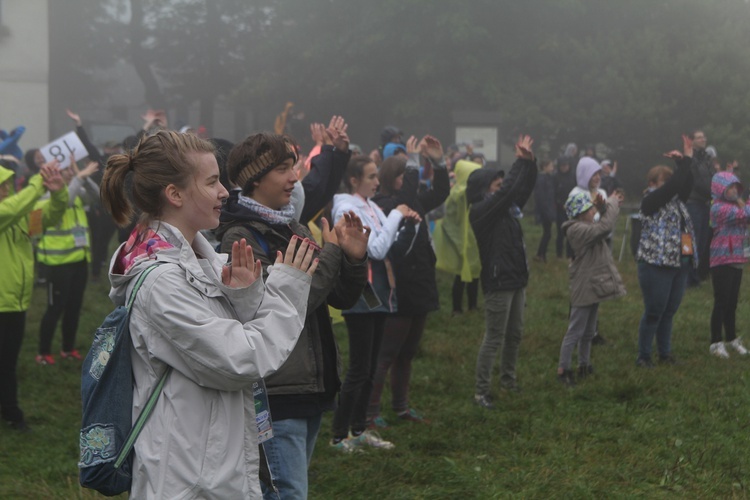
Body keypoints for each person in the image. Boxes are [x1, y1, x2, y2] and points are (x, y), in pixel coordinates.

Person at [97, 130, 317, 498]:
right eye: (212, 182)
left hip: (213, 467)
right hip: (187, 479)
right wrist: (287, 291)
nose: (225, 192)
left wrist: (245, 296)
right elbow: (240, 360)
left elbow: (227, 336)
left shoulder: (205, 260)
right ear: (175, 194)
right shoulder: (161, 283)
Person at [216, 131, 368, 500]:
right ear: (254, 178)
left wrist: (352, 258)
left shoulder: (292, 228)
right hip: (278, 392)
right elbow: (283, 307)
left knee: (288, 490)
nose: (294, 177)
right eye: (283, 169)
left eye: (294, 167)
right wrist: (331, 255)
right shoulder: (242, 238)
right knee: (287, 493)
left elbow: (340, 298)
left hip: (310, 387)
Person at [329, 155, 420, 451]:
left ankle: (359, 430)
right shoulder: (346, 208)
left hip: (379, 294)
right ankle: (338, 434)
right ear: (354, 180)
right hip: (360, 295)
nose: (377, 182)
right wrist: (397, 215)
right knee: (359, 367)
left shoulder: (371, 206)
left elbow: (388, 242)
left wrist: (407, 222)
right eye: (370, 177)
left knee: (369, 367)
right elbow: (378, 248)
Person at [367, 135, 450, 427]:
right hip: (397, 287)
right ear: (391, 178)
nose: (410, 180)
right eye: (403, 175)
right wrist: (414, 161)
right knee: (386, 353)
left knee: (408, 352)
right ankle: (371, 413)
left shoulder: (412, 201)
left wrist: (438, 163)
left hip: (420, 285)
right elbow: (404, 201)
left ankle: (401, 408)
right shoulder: (386, 204)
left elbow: (440, 192)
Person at [470, 135, 537, 410]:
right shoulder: (482, 210)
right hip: (499, 281)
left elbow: (521, 189)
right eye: (496, 186)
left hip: (516, 276)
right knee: (494, 337)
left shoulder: (507, 209)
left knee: (515, 333)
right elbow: (509, 190)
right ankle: (481, 391)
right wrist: (518, 162)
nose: (501, 190)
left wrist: (529, 164)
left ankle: (508, 380)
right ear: (485, 190)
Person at [0, 161, 67, 431]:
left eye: (7, 184)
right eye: (1, 185)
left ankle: (9, 411)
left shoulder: (18, 219)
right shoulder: (7, 213)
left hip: (14, 303)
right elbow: (14, 207)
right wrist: (37, 182)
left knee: (7, 363)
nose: (6, 189)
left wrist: (58, 192)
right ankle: (13, 414)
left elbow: (48, 217)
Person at [635, 136, 696, 368]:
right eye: (665, 180)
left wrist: (683, 165)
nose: (671, 184)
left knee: (669, 311)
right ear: (652, 182)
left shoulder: (675, 200)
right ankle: (643, 356)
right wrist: (686, 160)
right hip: (656, 264)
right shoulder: (650, 200)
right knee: (654, 311)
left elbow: (685, 184)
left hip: (679, 260)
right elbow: (674, 186)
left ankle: (665, 353)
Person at [557, 191, 626, 387]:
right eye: (590, 209)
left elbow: (600, 222)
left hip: (593, 283)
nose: (594, 211)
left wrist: (604, 207)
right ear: (581, 213)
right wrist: (612, 203)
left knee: (589, 331)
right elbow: (604, 227)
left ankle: (583, 365)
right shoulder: (576, 230)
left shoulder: (585, 225)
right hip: (584, 285)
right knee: (575, 331)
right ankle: (563, 369)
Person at [35, 157, 100, 365]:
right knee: (55, 308)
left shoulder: (76, 189)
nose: (71, 174)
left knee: (74, 307)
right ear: (54, 174)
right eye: (66, 171)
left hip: (79, 260)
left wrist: (86, 178)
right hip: (57, 263)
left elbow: (97, 196)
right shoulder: (47, 196)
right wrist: (78, 178)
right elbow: (66, 201)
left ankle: (68, 348)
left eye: (71, 171)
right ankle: (43, 352)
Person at [707, 170, 750, 358]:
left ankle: (731, 338)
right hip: (722, 259)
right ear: (720, 189)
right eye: (729, 188)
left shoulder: (737, 205)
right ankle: (716, 342)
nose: (734, 191)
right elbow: (745, 213)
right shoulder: (718, 208)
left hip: (737, 257)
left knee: (732, 302)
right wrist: (744, 201)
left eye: (735, 187)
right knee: (721, 302)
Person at [434, 158, 483, 315]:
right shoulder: (457, 192)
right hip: (459, 237)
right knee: (461, 273)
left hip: (471, 237)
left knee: (474, 272)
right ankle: (456, 308)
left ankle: (473, 305)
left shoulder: (469, 192)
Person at [686, 129, 713, 286]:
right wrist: (713, 193)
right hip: (693, 202)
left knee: (702, 241)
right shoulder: (690, 158)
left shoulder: (706, 158)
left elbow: (712, 177)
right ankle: (688, 277)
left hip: (705, 203)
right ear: (692, 141)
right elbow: (696, 181)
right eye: (699, 137)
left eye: (704, 136)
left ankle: (696, 276)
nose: (703, 139)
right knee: (692, 240)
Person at [534, 159, 557, 262]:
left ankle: (541, 254)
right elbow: (541, 197)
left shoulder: (549, 178)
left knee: (548, 233)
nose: (552, 168)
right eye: (551, 166)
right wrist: (546, 211)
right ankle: (540, 254)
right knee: (547, 233)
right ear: (544, 167)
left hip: (548, 209)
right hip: (544, 211)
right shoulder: (541, 179)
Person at [554, 156, 576, 258]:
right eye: (562, 166)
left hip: (571, 207)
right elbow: (553, 193)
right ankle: (559, 254)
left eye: (566, 165)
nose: (564, 167)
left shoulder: (573, 177)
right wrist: (560, 203)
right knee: (560, 232)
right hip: (560, 208)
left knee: (571, 232)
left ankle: (570, 254)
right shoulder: (556, 177)